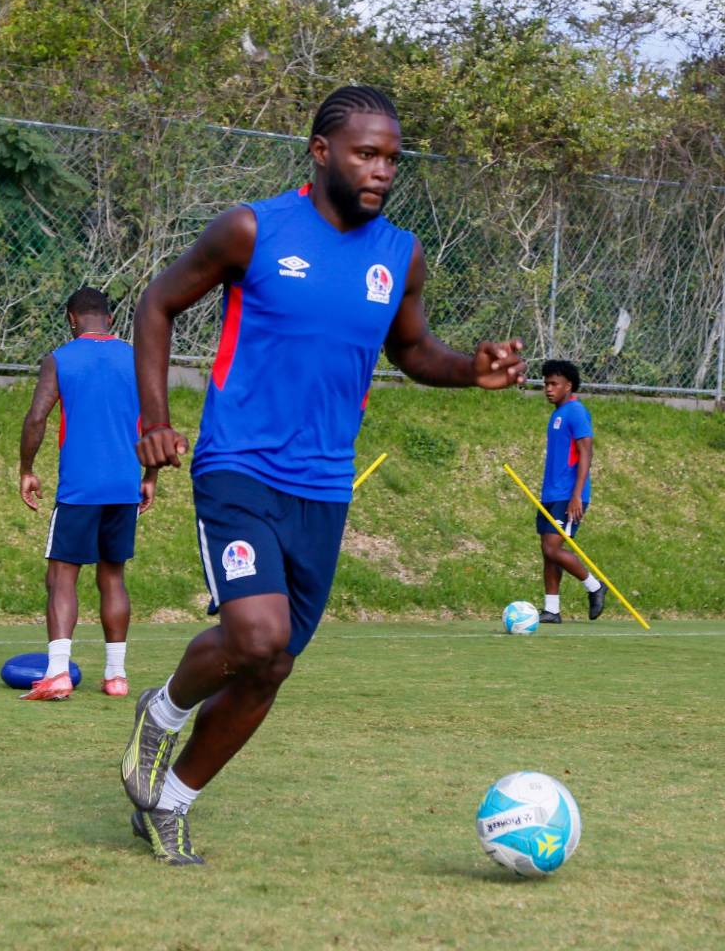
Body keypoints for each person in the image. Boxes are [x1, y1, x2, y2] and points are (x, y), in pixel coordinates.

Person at [119, 84, 527, 865]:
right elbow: (157, 305)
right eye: (365, 154)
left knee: (273, 665)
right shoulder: (252, 229)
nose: (381, 171)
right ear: (321, 153)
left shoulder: (399, 255)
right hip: (238, 464)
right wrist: (156, 419)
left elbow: (412, 351)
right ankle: (162, 713)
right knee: (255, 632)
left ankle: (170, 805)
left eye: (391, 159)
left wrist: (469, 369)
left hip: (325, 486)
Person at [18, 287, 157, 700]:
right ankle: (116, 677)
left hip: (81, 487)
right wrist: (150, 477)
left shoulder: (59, 359)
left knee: (62, 574)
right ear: (110, 320)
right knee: (112, 576)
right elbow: (155, 421)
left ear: (71, 318)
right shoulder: (137, 358)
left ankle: (58, 672)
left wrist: (26, 469)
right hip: (124, 485)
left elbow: (37, 416)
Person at [536, 360, 605, 624]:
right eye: (545, 384)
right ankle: (551, 609)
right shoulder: (557, 414)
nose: (548, 389)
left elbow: (586, 452)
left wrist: (577, 495)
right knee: (547, 551)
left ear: (569, 385)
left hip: (568, 496)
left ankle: (594, 586)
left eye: (554, 384)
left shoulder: (576, 411)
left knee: (553, 549)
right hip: (551, 494)